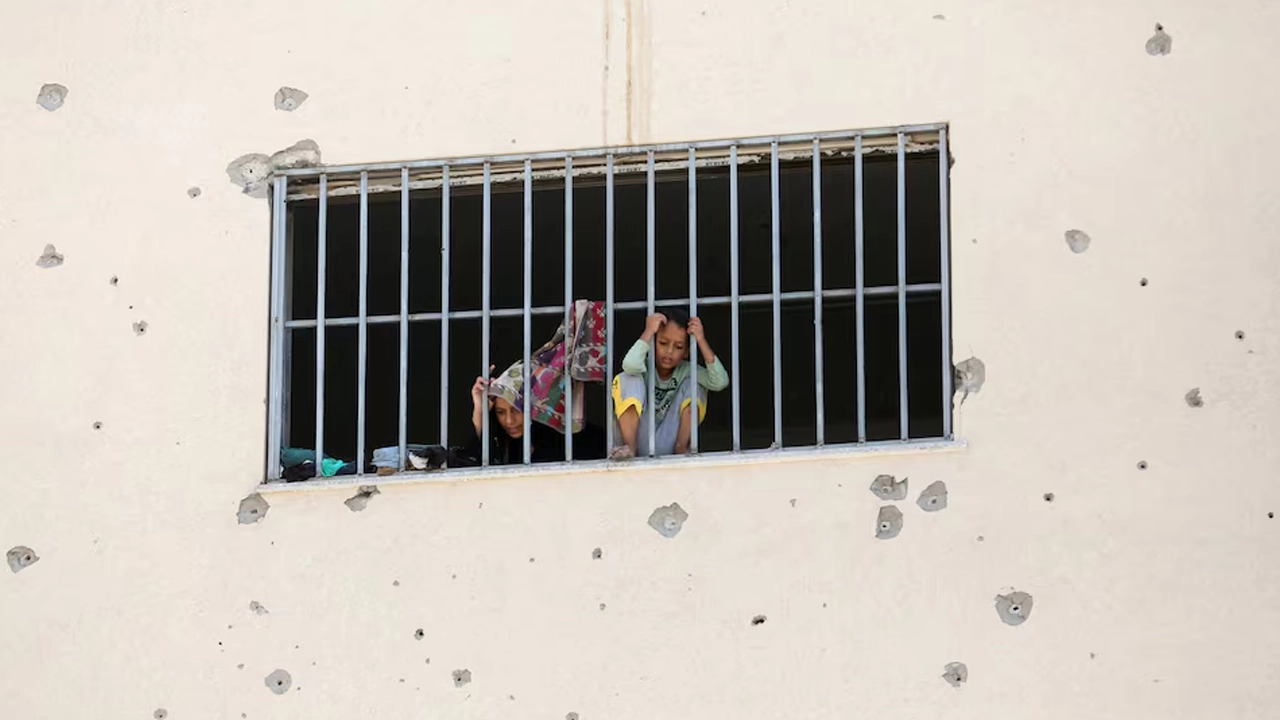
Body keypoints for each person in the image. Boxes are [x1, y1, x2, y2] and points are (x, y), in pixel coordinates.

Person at [612, 309, 729, 458]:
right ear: (653, 343)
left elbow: (720, 382)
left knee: (694, 385)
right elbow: (629, 365)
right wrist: (648, 331)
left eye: (678, 347)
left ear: (686, 352)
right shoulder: (643, 366)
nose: (669, 351)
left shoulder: (686, 370)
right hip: (638, 436)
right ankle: (630, 448)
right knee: (628, 377)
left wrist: (701, 339)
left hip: (669, 440)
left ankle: (682, 448)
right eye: (663, 343)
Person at [465, 362, 605, 465]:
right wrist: (479, 410)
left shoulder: (573, 437)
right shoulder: (499, 442)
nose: (509, 421)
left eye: (517, 410)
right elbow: (472, 464)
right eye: (500, 412)